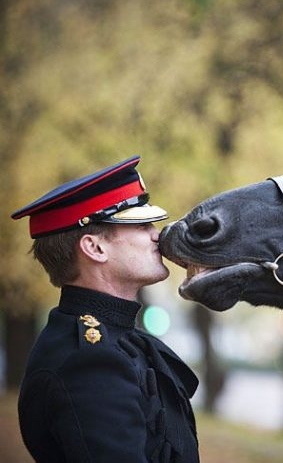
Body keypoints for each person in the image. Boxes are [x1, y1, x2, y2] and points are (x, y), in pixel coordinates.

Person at [11, 156, 200, 463]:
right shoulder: (89, 361)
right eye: (141, 225)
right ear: (94, 248)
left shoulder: (117, 342)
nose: (157, 235)